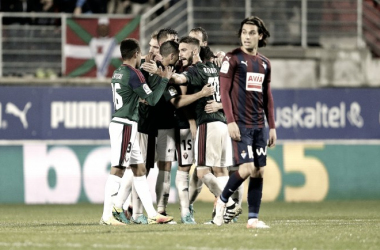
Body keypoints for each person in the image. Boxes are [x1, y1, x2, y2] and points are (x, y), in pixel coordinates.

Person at [100, 38, 174, 225]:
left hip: (123, 122)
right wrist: (164, 80)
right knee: (118, 169)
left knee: (140, 169)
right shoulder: (135, 74)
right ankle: (107, 216)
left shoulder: (117, 72)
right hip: (126, 124)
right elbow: (152, 100)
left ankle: (151, 214)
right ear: (135, 54)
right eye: (140, 54)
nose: (143, 57)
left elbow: (133, 93)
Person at [169, 36, 242, 223]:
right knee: (221, 170)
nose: (181, 54)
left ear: (195, 51)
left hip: (207, 124)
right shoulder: (216, 67)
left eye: (184, 50)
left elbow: (179, 78)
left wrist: (166, 74)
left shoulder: (197, 69)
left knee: (202, 171)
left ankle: (230, 204)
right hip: (222, 123)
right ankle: (222, 217)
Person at [214, 16, 277, 228]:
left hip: (259, 125)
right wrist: (230, 121)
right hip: (240, 123)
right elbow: (224, 92)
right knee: (247, 168)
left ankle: (253, 219)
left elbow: (267, 96)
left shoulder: (265, 63)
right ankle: (222, 201)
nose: (247, 37)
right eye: (244, 32)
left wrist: (273, 126)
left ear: (260, 35)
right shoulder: (232, 59)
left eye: (251, 33)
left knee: (259, 171)